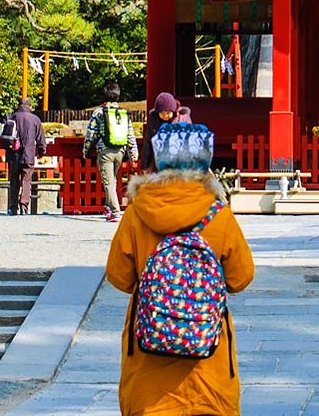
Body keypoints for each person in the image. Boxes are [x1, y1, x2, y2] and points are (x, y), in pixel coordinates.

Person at [107, 123, 253, 416]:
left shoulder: (137, 212)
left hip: (149, 361)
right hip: (207, 362)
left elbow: (119, 276)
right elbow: (241, 277)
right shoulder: (218, 214)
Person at [83, 82, 139, 223]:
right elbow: (130, 133)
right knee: (112, 179)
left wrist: (86, 150)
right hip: (120, 150)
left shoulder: (99, 112)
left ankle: (115, 212)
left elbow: (91, 133)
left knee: (108, 182)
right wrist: (133, 150)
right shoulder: (123, 112)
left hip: (105, 150)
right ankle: (108, 207)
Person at [4, 97, 48, 215]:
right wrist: (42, 151)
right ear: (30, 106)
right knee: (26, 180)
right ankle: (24, 206)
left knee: (13, 180)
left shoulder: (11, 117)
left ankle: (12, 207)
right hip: (28, 154)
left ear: (18, 105)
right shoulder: (35, 119)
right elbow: (40, 138)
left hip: (13, 154)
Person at [141, 92, 179, 172]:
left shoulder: (179, 120)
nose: (165, 116)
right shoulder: (153, 121)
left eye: (168, 113)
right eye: (162, 113)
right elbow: (147, 143)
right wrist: (145, 165)